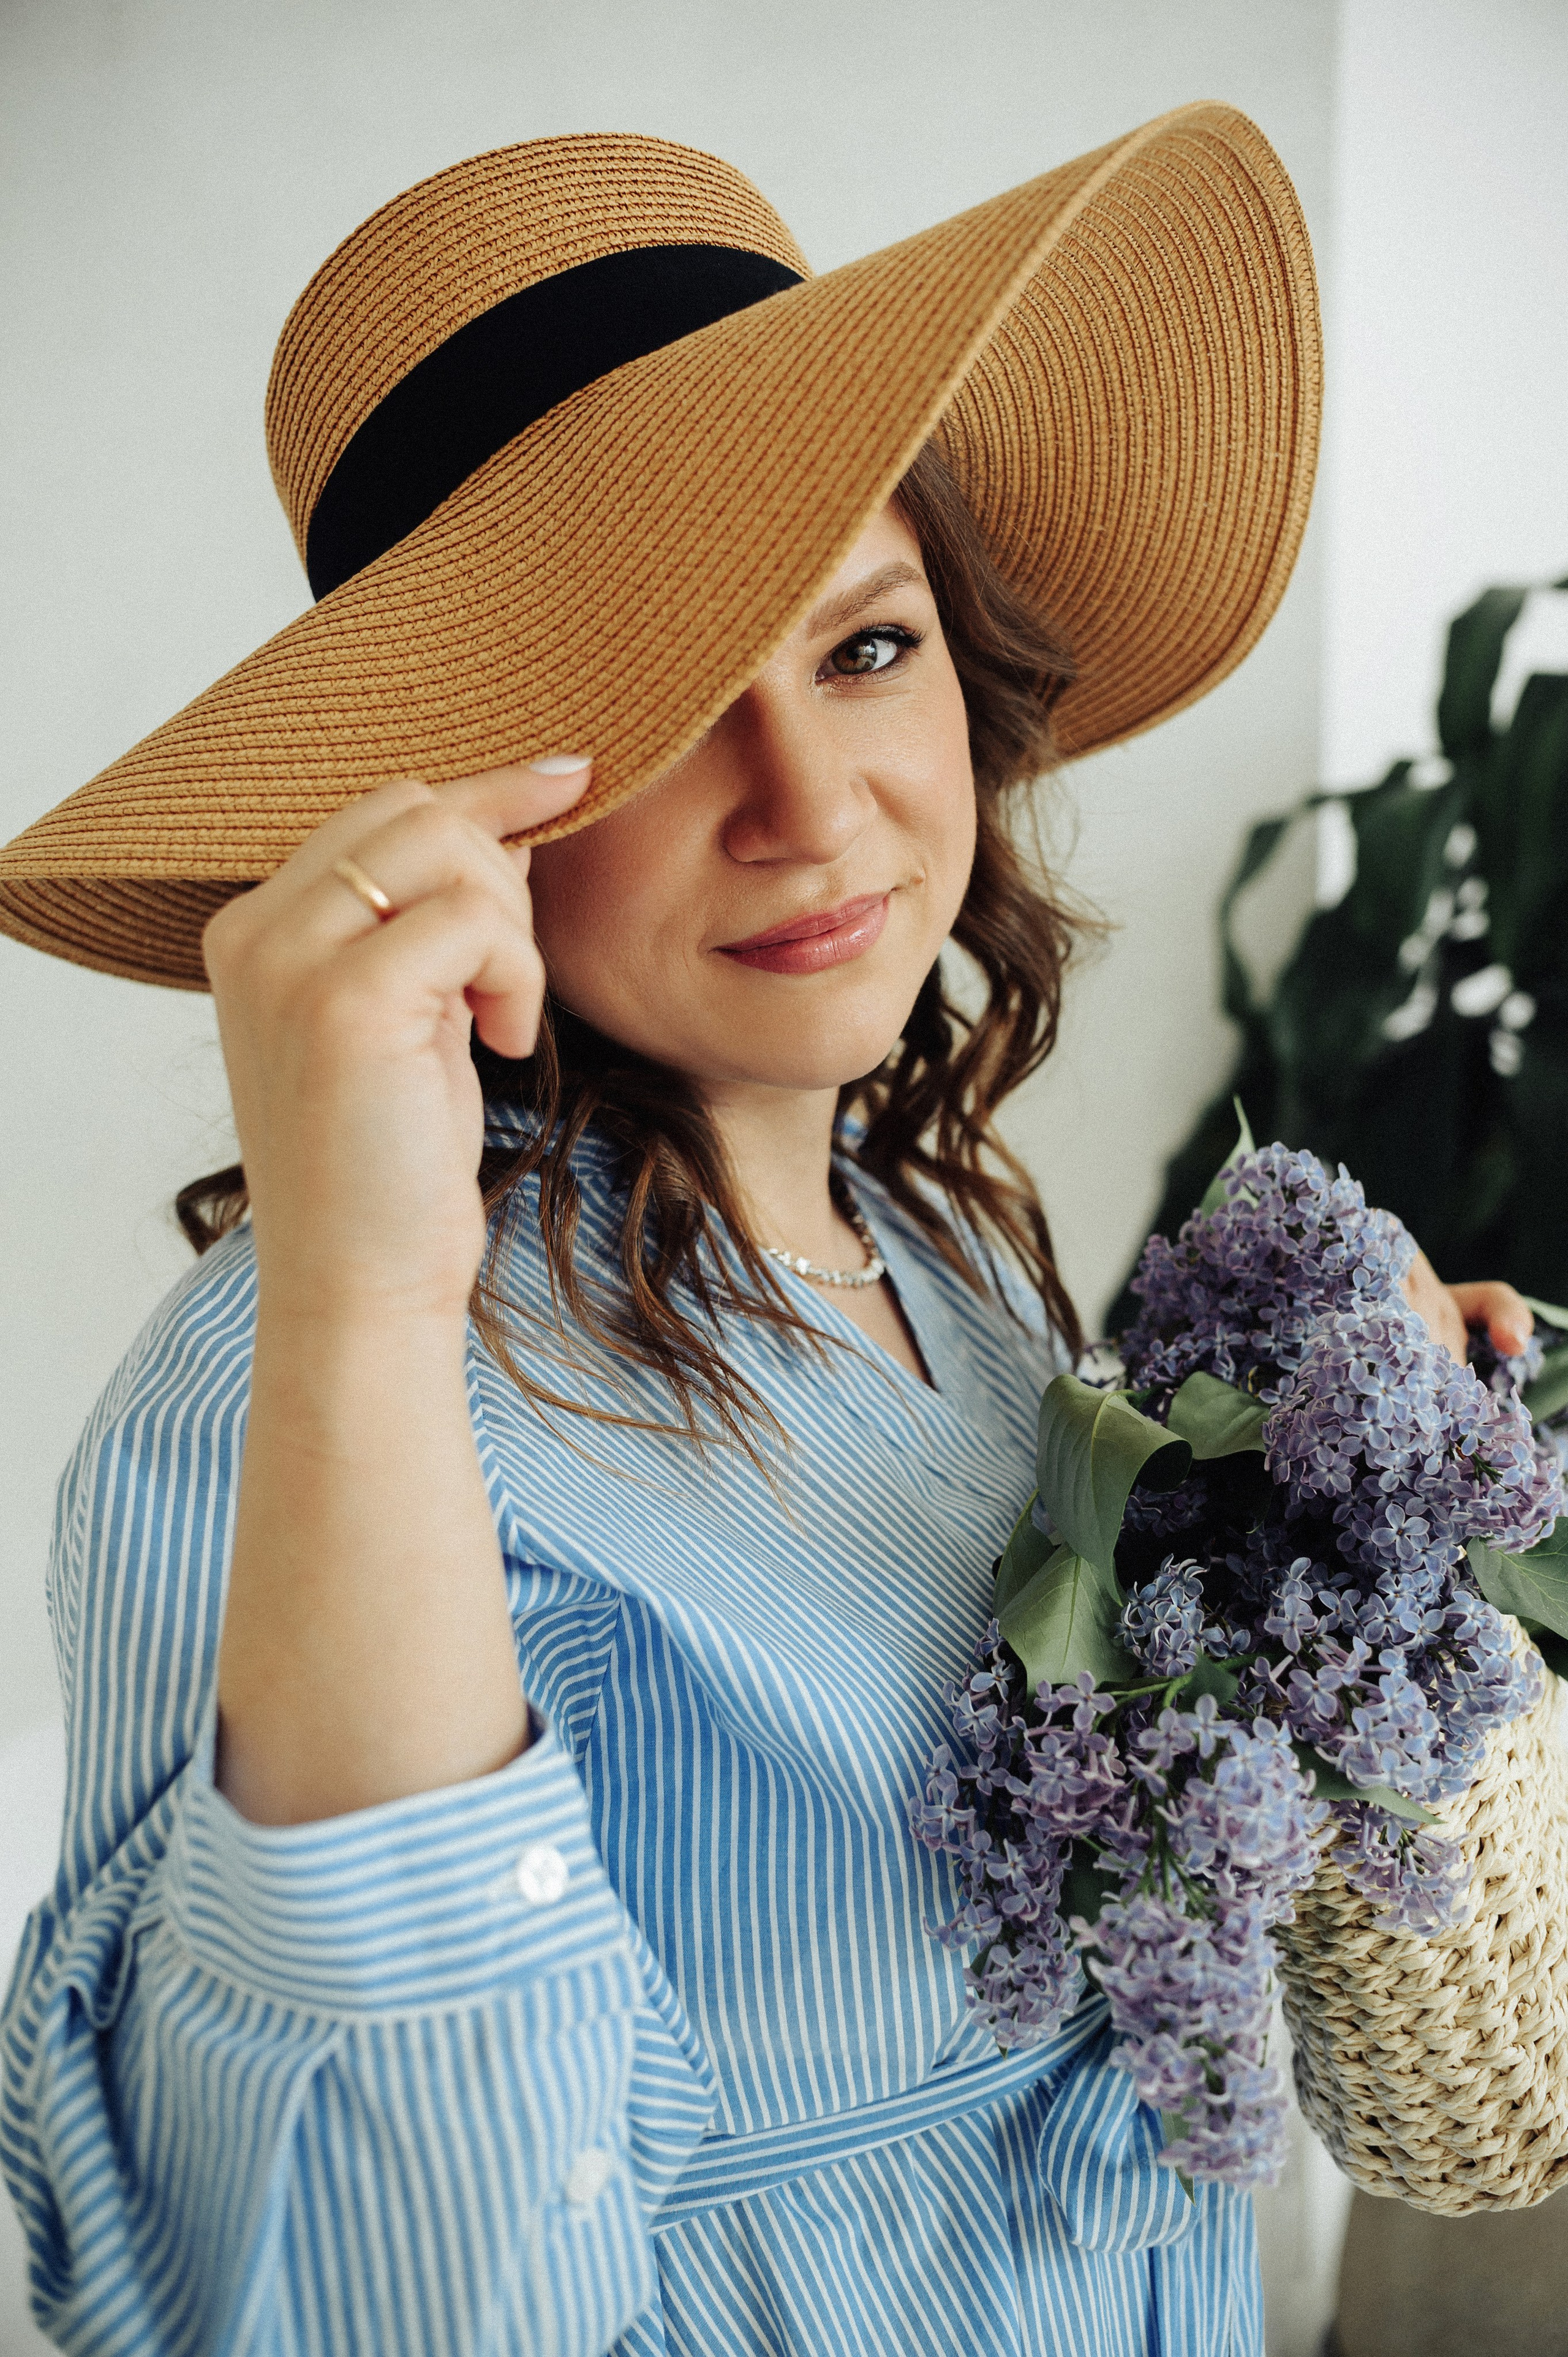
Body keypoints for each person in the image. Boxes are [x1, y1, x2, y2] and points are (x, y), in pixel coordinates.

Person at [0, 109, 1536, 2357]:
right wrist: (355, 1294)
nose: (813, 808)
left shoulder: (936, 1250)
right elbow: (352, 2298)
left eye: (865, 648)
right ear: (450, 820)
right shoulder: (296, 1390)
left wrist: (1337, 1483)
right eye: (638, 720)